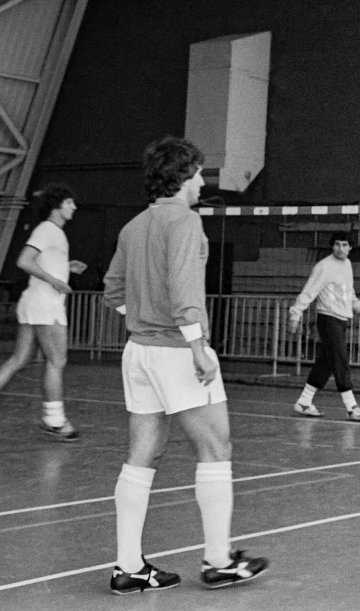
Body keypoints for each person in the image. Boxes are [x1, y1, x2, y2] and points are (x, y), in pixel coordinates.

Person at [102, 136, 268, 594]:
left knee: (143, 455)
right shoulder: (186, 223)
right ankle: (219, 560)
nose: (201, 182)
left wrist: (142, 321)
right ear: (180, 177)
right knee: (216, 447)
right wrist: (196, 346)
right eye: (196, 174)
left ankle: (129, 567)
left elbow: (113, 291)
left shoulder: (133, 227)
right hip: (178, 350)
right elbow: (184, 289)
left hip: (139, 352)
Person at [0, 182, 87, 443]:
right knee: (57, 361)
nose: (73, 207)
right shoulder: (48, 230)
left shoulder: (51, 232)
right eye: (69, 203)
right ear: (56, 206)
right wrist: (55, 281)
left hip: (33, 302)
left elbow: (42, 263)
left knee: (20, 358)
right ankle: (54, 420)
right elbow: (24, 261)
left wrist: (66, 267)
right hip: (46, 304)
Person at [288, 231, 360, 421]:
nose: (341, 249)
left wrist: (359, 309)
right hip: (328, 319)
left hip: (342, 320)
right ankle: (351, 406)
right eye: (337, 245)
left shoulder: (347, 265)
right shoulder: (324, 267)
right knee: (340, 359)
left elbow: (349, 292)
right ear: (332, 246)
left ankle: (304, 402)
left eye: (344, 245)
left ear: (350, 248)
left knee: (326, 362)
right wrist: (296, 313)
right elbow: (309, 291)